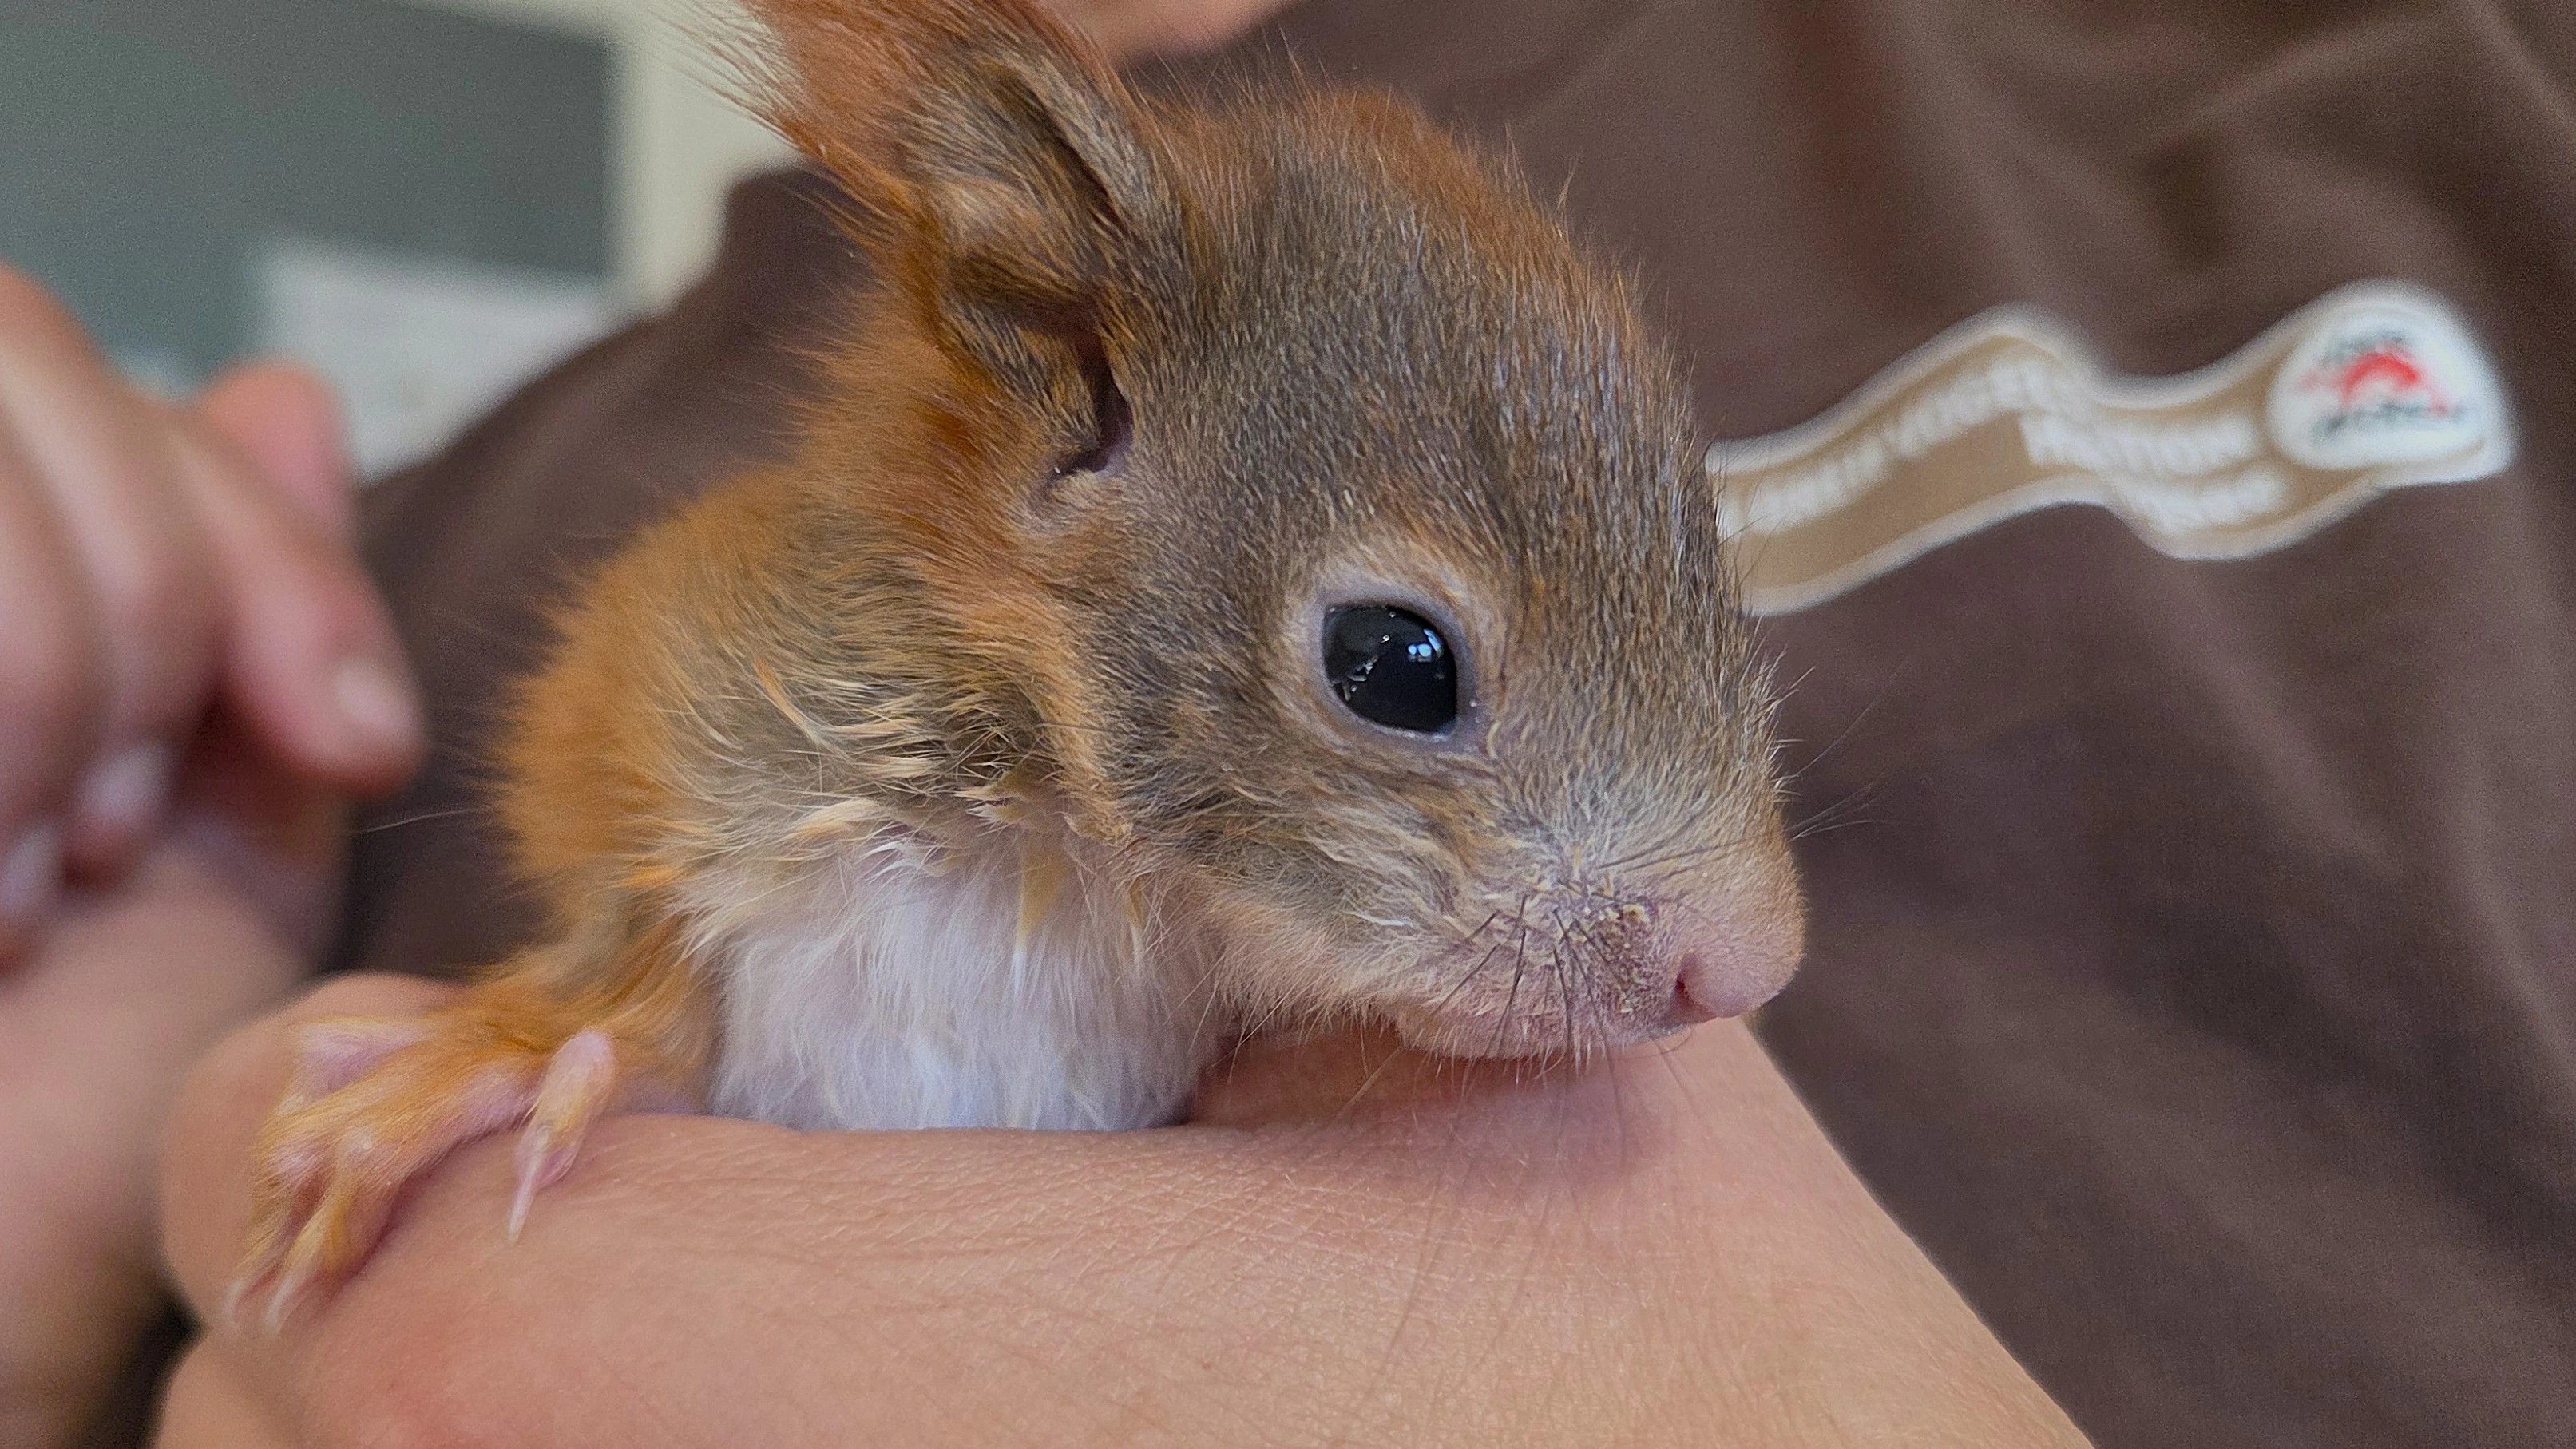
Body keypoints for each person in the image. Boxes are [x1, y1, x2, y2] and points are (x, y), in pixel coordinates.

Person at [10, 0, 2574, 1443]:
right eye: (1408, 674)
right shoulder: (370, 596)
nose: (1734, 957)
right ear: (1059, 425)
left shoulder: (2445, 105)